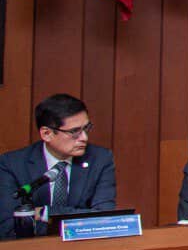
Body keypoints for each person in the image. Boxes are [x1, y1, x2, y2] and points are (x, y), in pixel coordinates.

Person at [0, 93, 117, 239]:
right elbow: (8, 226)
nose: (84, 138)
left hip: (82, 248)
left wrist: (46, 213)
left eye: (86, 128)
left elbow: (104, 218)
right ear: (47, 134)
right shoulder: (12, 164)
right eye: (74, 132)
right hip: (31, 248)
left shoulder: (100, 159)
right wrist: (75, 225)